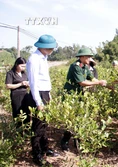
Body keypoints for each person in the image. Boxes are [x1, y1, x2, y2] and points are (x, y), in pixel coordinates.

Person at [61, 47, 107, 151]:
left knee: (80, 118)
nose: (90, 59)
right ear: (81, 57)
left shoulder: (85, 67)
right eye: (88, 56)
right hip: (70, 96)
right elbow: (82, 82)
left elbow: (92, 78)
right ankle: (65, 141)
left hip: (79, 96)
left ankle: (78, 142)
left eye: (90, 57)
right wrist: (98, 83)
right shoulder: (75, 66)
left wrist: (101, 82)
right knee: (70, 120)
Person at [26, 34, 58, 166]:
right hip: (37, 94)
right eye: (51, 48)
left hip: (44, 93)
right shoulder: (34, 59)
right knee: (38, 126)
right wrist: (38, 102)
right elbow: (33, 83)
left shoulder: (43, 57)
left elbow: (45, 80)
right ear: (45, 47)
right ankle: (37, 154)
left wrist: (49, 95)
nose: (52, 50)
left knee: (44, 125)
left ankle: (45, 148)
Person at [5, 57, 30, 127]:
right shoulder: (11, 73)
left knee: (26, 112)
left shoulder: (24, 73)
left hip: (25, 94)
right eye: (21, 66)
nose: (23, 68)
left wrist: (27, 84)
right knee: (17, 112)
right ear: (16, 64)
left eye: (24, 66)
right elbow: (8, 86)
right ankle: (18, 131)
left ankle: (26, 130)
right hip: (16, 95)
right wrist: (20, 84)